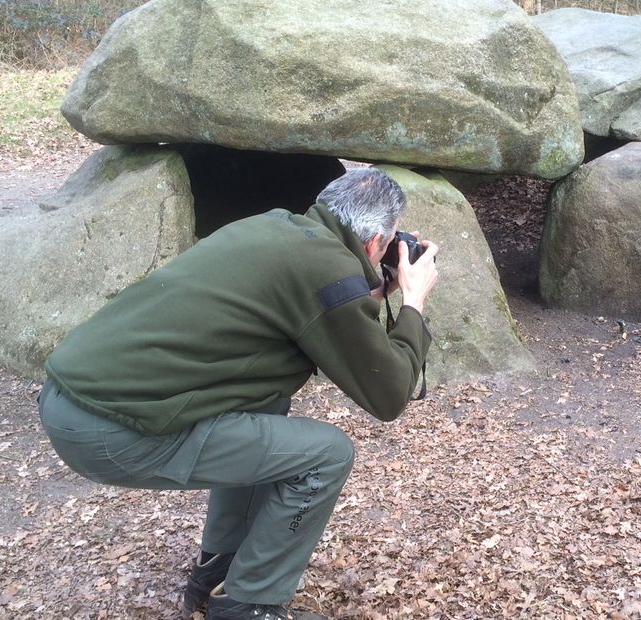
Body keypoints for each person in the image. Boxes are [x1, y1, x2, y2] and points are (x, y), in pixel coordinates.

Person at [37, 167, 439, 620]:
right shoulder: (326, 271)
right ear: (374, 244)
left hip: (69, 401)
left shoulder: (275, 227)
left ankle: (220, 566)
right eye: (387, 245)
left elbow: (313, 304)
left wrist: (367, 289)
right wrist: (413, 301)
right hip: (111, 431)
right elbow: (389, 395)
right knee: (328, 455)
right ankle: (250, 604)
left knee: (267, 406)